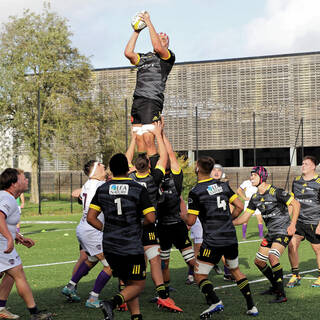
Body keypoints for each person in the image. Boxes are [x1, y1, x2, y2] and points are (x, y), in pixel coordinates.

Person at [186, 157, 258, 318]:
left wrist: (182, 215)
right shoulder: (223, 185)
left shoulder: (196, 191)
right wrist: (229, 220)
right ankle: (251, 306)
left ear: (197, 168)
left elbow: (190, 221)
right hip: (230, 237)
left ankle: (215, 302)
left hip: (213, 240)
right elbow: (239, 206)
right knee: (236, 270)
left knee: (199, 275)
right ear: (211, 169)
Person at [87, 153, 156, 320]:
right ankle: (112, 303)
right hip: (131, 246)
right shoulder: (138, 188)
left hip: (110, 245)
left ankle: (136, 316)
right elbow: (151, 218)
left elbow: (91, 217)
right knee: (138, 285)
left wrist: (107, 229)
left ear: (112, 169)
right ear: (127, 169)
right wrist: (136, 225)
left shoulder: (102, 188)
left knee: (129, 284)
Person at [125, 124, 182, 312]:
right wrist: (158, 134)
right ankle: (163, 296)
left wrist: (134, 138)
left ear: (133, 167)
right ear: (149, 165)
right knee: (155, 260)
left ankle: (127, 295)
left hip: (133, 225)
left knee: (134, 259)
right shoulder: (154, 178)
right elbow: (164, 157)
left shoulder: (131, 178)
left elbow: (126, 160)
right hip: (149, 224)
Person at [233, 166, 300, 303]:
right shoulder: (255, 197)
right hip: (271, 233)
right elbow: (245, 217)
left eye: (254, 175)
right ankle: (275, 286)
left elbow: (296, 204)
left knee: (272, 257)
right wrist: (229, 222)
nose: (251, 177)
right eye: (251, 175)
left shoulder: (276, 191)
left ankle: (281, 294)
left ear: (262, 177)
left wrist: (293, 224)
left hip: (283, 230)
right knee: (259, 261)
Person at [0, 168, 53, 320]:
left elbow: (6, 223)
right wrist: (9, 239)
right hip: (2, 245)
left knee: (10, 274)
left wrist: (18, 237)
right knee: (18, 272)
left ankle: (1, 307)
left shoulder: (6, 197)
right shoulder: (7, 199)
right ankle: (35, 313)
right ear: (14, 183)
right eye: (24, 178)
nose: (27, 180)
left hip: (3, 242)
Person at [62, 160, 115, 308]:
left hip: (85, 228)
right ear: (95, 170)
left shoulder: (89, 184)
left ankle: (70, 286)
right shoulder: (99, 186)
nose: (104, 166)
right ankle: (93, 298)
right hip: (93, 230)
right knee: (111, 266)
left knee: (92, 259)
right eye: (101, 165)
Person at [124, 11, 175, 157]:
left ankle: (153, 175)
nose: (161, 39)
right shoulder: (145, 57)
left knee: (148, 138)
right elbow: (128, 53)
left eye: (164, 39)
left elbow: (159, 47)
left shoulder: (168, 57)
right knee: (139, 138)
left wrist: (149, 22)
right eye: (159, 37)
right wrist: (136, 31)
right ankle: (142, 171)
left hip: (151, 100)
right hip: (138, 100)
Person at [156, 131, 196, 297]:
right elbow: (171, 154)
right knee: (191, 259)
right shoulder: (176, 179)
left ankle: (164, 291)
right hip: (177, 226)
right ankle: (205, 278)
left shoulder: (154, 179)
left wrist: (158, 135)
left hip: (163, 227)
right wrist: (161, 133)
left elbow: (166, 156)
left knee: (163, 262)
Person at [287, 155, 320, 288]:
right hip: (298, 221)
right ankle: (295, 275)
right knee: (292, 245)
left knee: (317, 249)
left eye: (306, 164)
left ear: (313, 166)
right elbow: (292, 202)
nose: (303, 166)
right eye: (302, 163)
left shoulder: (319, 182)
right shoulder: (296, 181)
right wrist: (289, 221)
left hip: (314, 221)